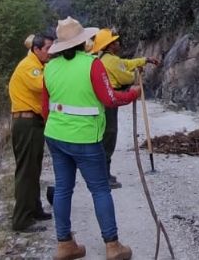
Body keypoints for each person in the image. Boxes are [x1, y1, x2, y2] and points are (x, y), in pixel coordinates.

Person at [41, 17, 141, 260]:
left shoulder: (50, 67)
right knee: (99, 189)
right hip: (85, 137)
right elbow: (110, 99)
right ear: (83, 41)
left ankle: (65, 244)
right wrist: (132, 94)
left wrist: (57, 129)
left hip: (55, 135)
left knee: (64, 188)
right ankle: (112, 245)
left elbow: (45, 107)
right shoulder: (91, 65)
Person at [89, 28, 161, 188]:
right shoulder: (110, 61)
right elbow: (124, 75)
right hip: (109, 101)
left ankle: (104, 173)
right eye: (115, 41)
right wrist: (136, 74)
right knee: (109, 135)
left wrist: (144, 60)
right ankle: (103, 177)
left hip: (103, 101)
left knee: (105, 135)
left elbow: (125, 64)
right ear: (109, 45)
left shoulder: (106, 58)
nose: (119, 43)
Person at [8, 33, 54, 232]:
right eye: (48, 49)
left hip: (33, 122)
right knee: (26, 171)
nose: (51, 53)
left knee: (33, 169)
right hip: (26, 123)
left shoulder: (38, 65)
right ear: (36, 50)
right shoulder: (29, 67)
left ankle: (34, 209)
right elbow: (43, 85)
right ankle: (21, 220)